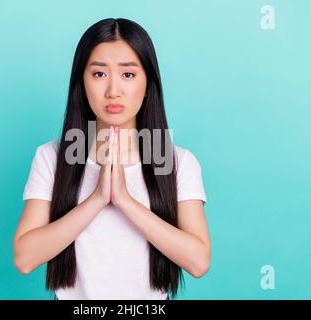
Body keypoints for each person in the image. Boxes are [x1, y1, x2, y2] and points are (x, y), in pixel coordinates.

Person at [13, 18, 211, 300]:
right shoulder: (52, 157)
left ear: (147, 84)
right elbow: (25, 258)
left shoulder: (177, 162)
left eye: (128, 75)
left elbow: (198, 261)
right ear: (81, 83)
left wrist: (125, 201)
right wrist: (96, 199)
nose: (113, 91)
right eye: (99, 74)